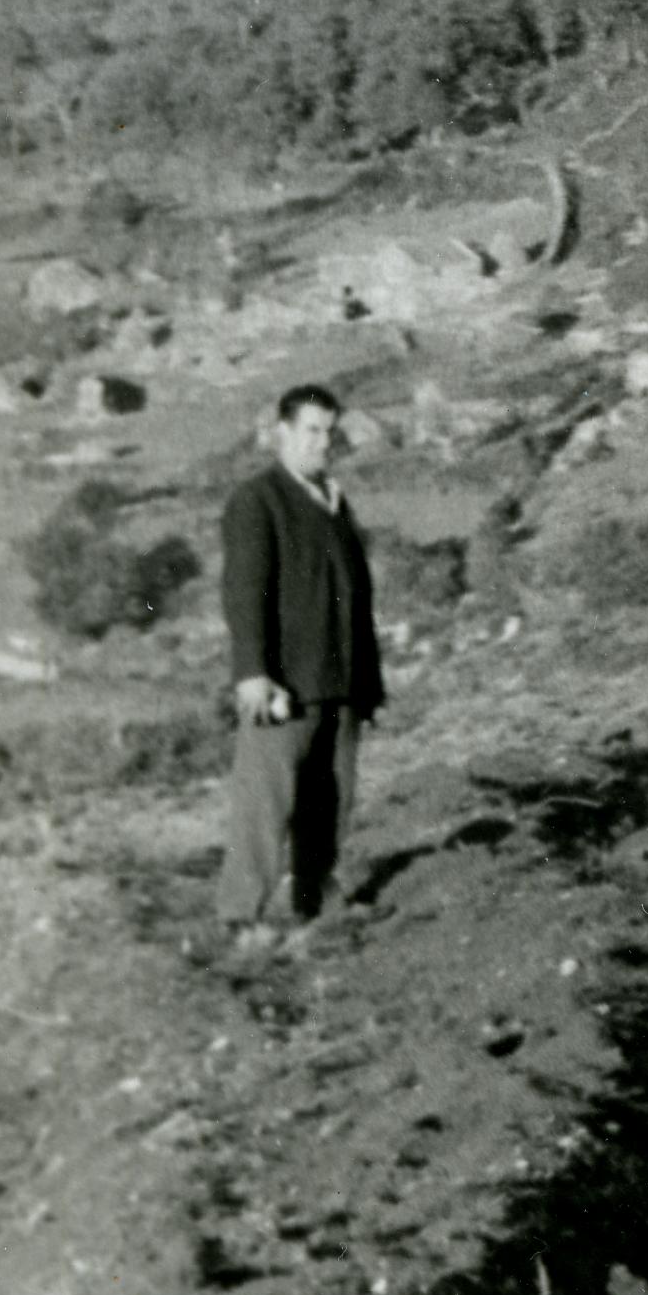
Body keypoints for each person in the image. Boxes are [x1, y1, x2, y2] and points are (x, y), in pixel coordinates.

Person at [218, 381, 383, 948]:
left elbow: (354, 598)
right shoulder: (258, 500)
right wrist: (253, 674)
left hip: (338, 682)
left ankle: (318, 900)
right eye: (311, 430)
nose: (323, 443)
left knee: (332, 796)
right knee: (266, 800)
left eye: (330, 432)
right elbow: (244, 592)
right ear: (282, 433)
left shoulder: (334, 502)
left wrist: (367, 683)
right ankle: (243, 915)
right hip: (285, 683)